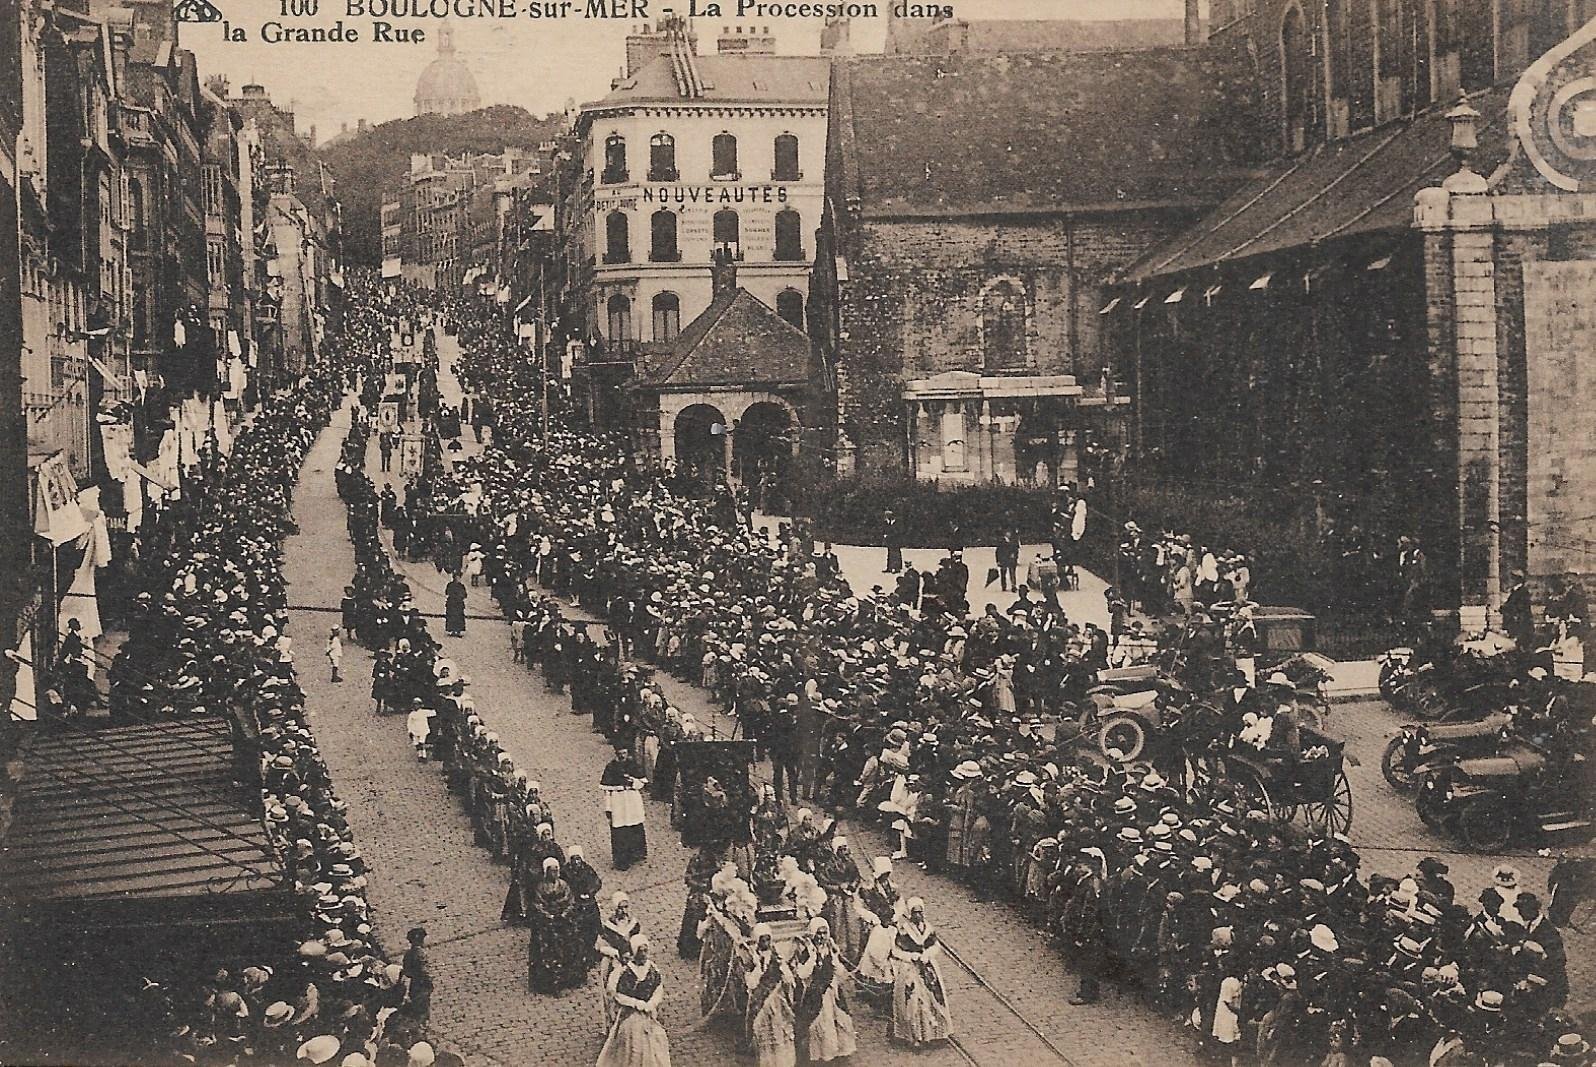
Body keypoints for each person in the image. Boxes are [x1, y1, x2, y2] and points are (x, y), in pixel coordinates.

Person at [596, 935, 671, 1067]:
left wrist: (651, 1003)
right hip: (631, 1014)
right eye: (640, 951)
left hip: (649, 1014)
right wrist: (637, 1004)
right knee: (633, 1043)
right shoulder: (625, 971)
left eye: (645, 951)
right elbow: (617, 994)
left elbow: (659, 988)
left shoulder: (652, 968)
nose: (643, 954)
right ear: (634, 951)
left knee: (656, 1041)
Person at [791, 917, 856, 1063]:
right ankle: (820, 1057)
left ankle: (836, 1055)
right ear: (813, 934)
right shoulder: (807, 951)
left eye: (824, 933)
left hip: (831, 992)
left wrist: (835, 957)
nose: (821, 937)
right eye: (818, 933)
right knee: (819, 1026)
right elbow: (802, 974)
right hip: (815, 994)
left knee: (840, 1021)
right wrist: (813, 957)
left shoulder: (830, 950)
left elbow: (840, 972)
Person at [889, 897, 951, 1047]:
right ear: (910, 914)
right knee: (913, 1000)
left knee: (934, 997)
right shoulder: (903, 930)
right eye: (914, 913)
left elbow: (936, 945)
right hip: (910, 968)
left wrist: (927, 954)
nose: (917, 916)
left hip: (927, 967)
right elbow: (895, 951)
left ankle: (935, 1033)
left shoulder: (928, 928)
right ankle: (914, 1035)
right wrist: (911, 956)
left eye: (920, 912)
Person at [743, 924, 796, 1067]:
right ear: (757, 941)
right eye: (762, 940)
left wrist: (787, 977)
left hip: (776, 998)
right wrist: (758, 968)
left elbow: (785, 970)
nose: (765, 943)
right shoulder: (751, 957)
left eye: (767, 940)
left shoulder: (776, 954)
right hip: (760, 1000)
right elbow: (751, 983)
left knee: (779, 1030)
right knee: (762, 1030)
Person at [528, 857, 579, 993]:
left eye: (556, 870)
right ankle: (548, 982)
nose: (555, 874)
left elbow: (570, 901)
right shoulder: (541, 887)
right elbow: (538, 904)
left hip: (563, 921)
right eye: (552, 871)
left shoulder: (563, 885)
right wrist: (548, 915)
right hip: (548, 923)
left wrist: (564, 913)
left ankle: (568, 978)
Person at [596, 893, 641, 1028]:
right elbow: (601, 946)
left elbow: (639, 941)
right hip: (615, 962)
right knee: (612, 989)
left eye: (626, 907)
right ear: (616, 909)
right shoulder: (608, 926)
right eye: (621, 908)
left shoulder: (634, 924)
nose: (624, 911)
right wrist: (616, 953)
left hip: (632, 961)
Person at [601, 746, 648, 869]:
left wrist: (633, 782)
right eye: (620, 753)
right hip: (618, 802)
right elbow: (607, 791)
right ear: (616, 753)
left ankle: (636, 854)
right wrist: (608, 808)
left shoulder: (633, 765)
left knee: (634, 827)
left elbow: (642, 783)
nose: (622, 756)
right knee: (620, 831)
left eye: (624, 753)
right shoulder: (611, 767)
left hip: (632, 800)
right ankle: (622, 860)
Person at [401, 927, 433, 1028]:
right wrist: (429, 983)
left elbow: (407, 972)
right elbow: (425, 971)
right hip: (422, 984)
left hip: (414, 984)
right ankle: (423, 1027)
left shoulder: (408, 954)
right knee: (423, 1007)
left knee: (416, 1004)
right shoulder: (421, 954)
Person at [445, 574, 467, 638]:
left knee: (459, 617)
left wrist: (461, 596)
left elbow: (465, 595)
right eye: (457, 578)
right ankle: (453, 630)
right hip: (452, 604)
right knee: (452, 617)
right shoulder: (450, 585)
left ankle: (458, 630)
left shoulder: (461, 586)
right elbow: (447, 592)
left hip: (459, 604)